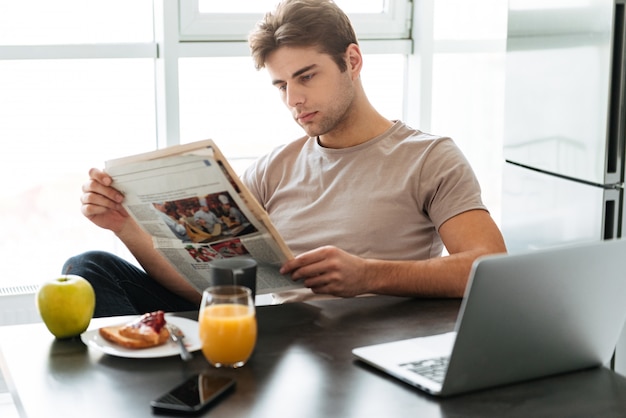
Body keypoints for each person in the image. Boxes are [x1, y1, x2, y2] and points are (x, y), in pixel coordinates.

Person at [66, 0, 506, 316]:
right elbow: (207, 288)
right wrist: (123, 225)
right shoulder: (273, 168)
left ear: (352, 61)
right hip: (268, 331)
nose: (294, 100)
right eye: (281, 86)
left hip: (360, 338)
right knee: (89, 268)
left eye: (307, 76)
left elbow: (488, 265)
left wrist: (368, 276)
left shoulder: (428, 157)